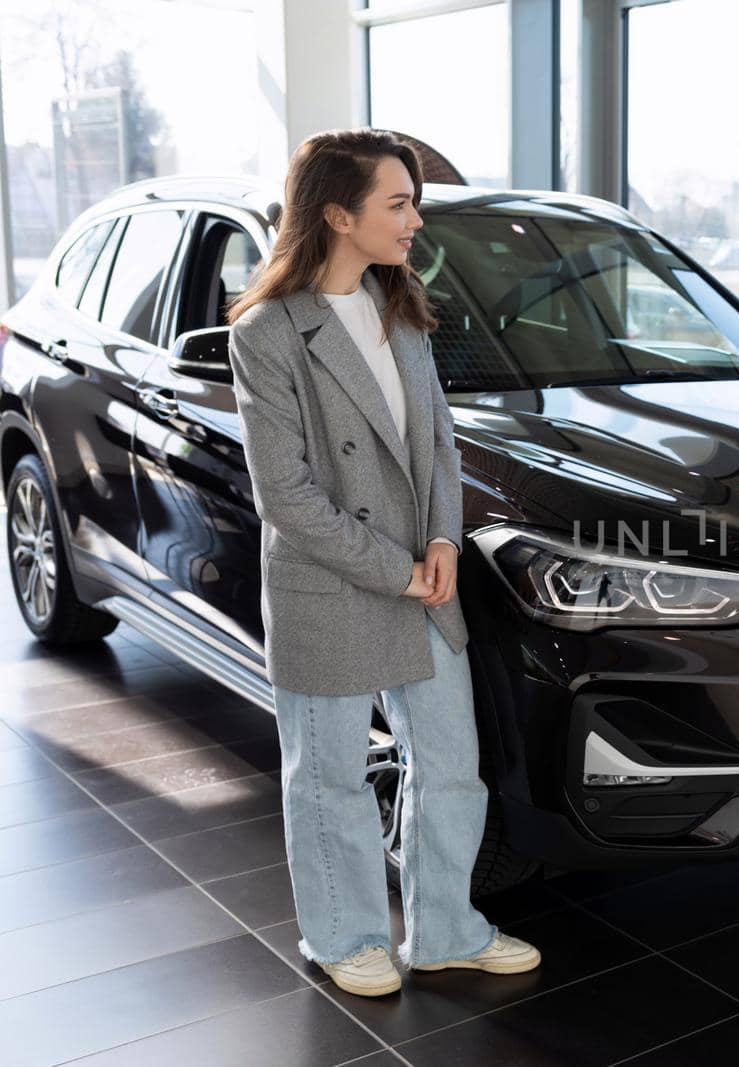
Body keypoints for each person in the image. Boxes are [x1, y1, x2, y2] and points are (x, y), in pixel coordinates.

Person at [226, 129, 540, 997]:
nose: (415, 221)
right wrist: (398, 568)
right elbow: (285, 495)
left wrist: (441, 544)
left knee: (449, 765)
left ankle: (446, 930)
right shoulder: (267, 331)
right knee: (328, 776)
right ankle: (344, 935)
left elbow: (437, 444)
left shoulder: (399, 308)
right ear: (337, 213)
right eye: (398, 204)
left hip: (423, 575)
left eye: (414, 202)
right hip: (332, 580)